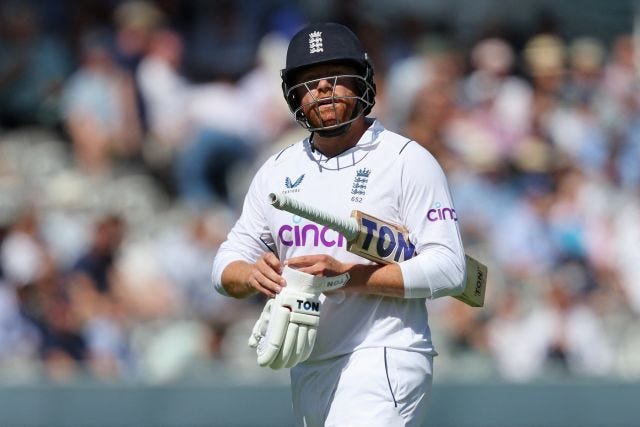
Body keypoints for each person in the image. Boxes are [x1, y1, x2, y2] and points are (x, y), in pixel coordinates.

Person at [212, 22, 466, 426]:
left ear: (362, 81)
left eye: (335, 78)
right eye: (309, 83)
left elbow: (451, 269)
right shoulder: (277, 170)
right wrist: (251, 275)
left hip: (385, 353)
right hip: (310, 364)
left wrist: (348, 276)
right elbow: (225, 264)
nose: (323, 90)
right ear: (292, 95)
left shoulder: (405, 161)